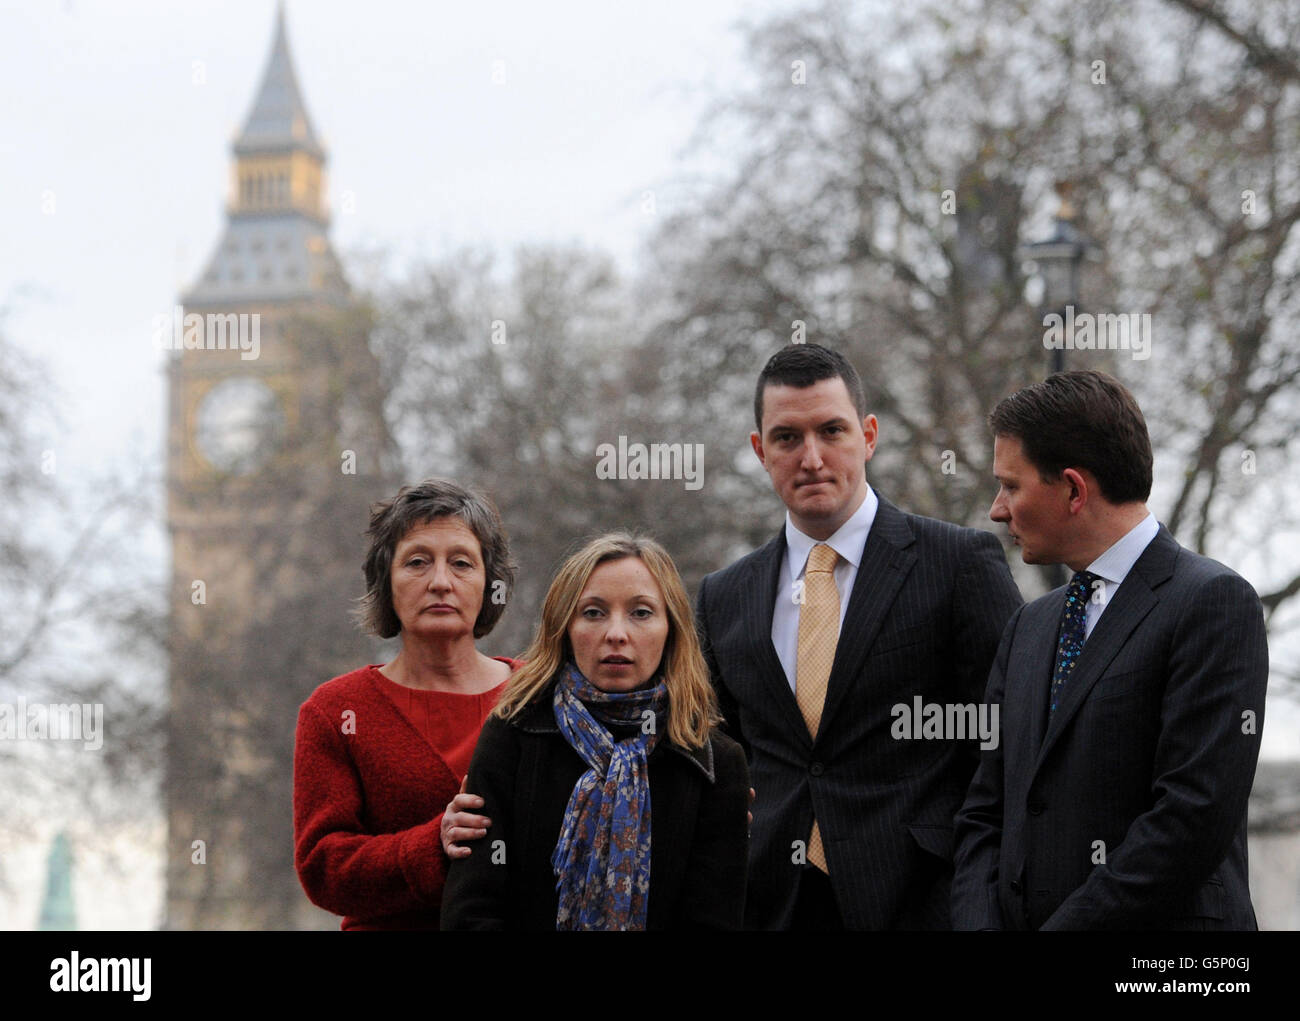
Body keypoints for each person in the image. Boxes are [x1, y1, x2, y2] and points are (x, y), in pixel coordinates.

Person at [695, 343, 1023, 929]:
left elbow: (1009, 746)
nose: (812, 458)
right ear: (758, 450)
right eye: (787, 438)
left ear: (868, 435)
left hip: (926, 903)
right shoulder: (724, 596)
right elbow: (717, 759)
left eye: (832, 430)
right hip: (772, 905)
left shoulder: (958, 563)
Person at [952, 370, 1268, 930]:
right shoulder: (1028, 626)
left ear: (1074, 489)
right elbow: (984, 813)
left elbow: (1190, 819)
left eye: (1011, 485)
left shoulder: (1212, 603)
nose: (998, 510)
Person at [439, 533, 750, 930]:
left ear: (671, 628)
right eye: (593, 612)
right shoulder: (513, 733)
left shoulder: (712, 761)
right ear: (563, 627)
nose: (616, 633)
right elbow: (471, 910)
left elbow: (713, 918)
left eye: (641, 612)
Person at [293, 478, 520, 930]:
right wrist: (431, 846)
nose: (440, 582)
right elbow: (324, 869)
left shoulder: (540, 696)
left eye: (461, 563)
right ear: (385, 582)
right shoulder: (335, 712)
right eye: (417, 562)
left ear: (488, 584)